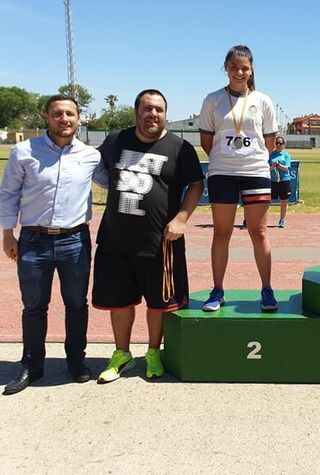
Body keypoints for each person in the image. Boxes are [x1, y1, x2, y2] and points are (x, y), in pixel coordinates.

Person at [93, 89, 204, 383]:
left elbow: (196, 184)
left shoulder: (180, 147)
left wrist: (182, 218)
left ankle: (154, 352)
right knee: (120, 302)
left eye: (158, 109)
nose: (153, 114)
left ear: (165, 114)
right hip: (116, 239)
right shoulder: (115, 140)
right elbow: (87, 165)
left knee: (159, 303)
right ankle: (122, 354)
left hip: (160, 242)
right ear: (136, 112)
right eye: (147, 108)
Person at [0, 95, 102, 395]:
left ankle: (76, 361)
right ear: (46, 116)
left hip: (75, 240)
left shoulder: (91, 156)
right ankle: (32, 365)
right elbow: (9, 193)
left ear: (79, 118)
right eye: (57, 113)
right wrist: (7, 234)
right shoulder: (23, 152)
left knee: (76, 304)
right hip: (33, 241)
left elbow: (114, 182)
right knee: (34, 306)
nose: (64, 119)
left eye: (70, 114)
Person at [198, 45, 279, 312]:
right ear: (226, 68)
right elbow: (207, 141)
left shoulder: (263, 101)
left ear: (251, 70)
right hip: (222, 173)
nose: (239, 72)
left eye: (244, 68)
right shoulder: (213, 100)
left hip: (255, 172)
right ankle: (217, 289)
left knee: (259, 231)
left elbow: (268, 142)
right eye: (233, 67)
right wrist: (227, 159)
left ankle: (266, 289)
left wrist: (251, 159)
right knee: (222, 232)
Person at [269, 135, 292, 228]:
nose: (278, 145)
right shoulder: (271, 155)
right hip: (273, 181)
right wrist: (273, 166)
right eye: (277, 143)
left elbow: (287, 169)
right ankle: (262, 219)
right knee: (267, 201)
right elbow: (268, 169)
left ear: (283, 145)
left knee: (284, 201)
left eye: (280, 143)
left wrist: (278, 165)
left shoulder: (286, 155)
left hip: (284, 180)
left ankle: (282, 220)